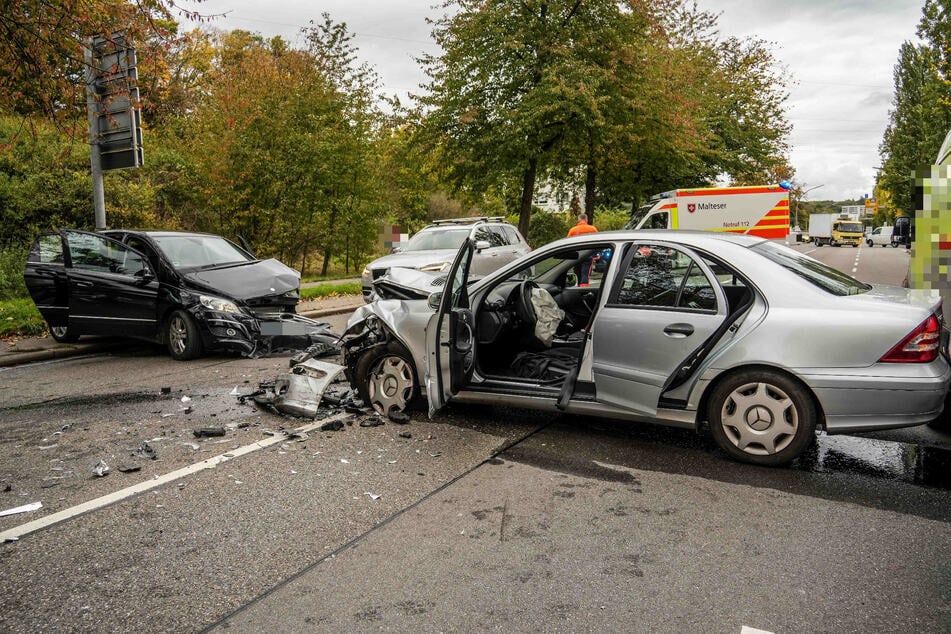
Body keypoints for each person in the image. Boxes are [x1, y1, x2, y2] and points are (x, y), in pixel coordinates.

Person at [567, 213, 598, 285]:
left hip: (576, 255)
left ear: (579, 219)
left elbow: (568, 242)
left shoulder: (572, 230)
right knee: (585, 273)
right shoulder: (593, 229)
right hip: (588, 254)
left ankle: (578, 287)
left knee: (577, 273)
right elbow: (597, 242)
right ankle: (584, 290)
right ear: (586, 220)